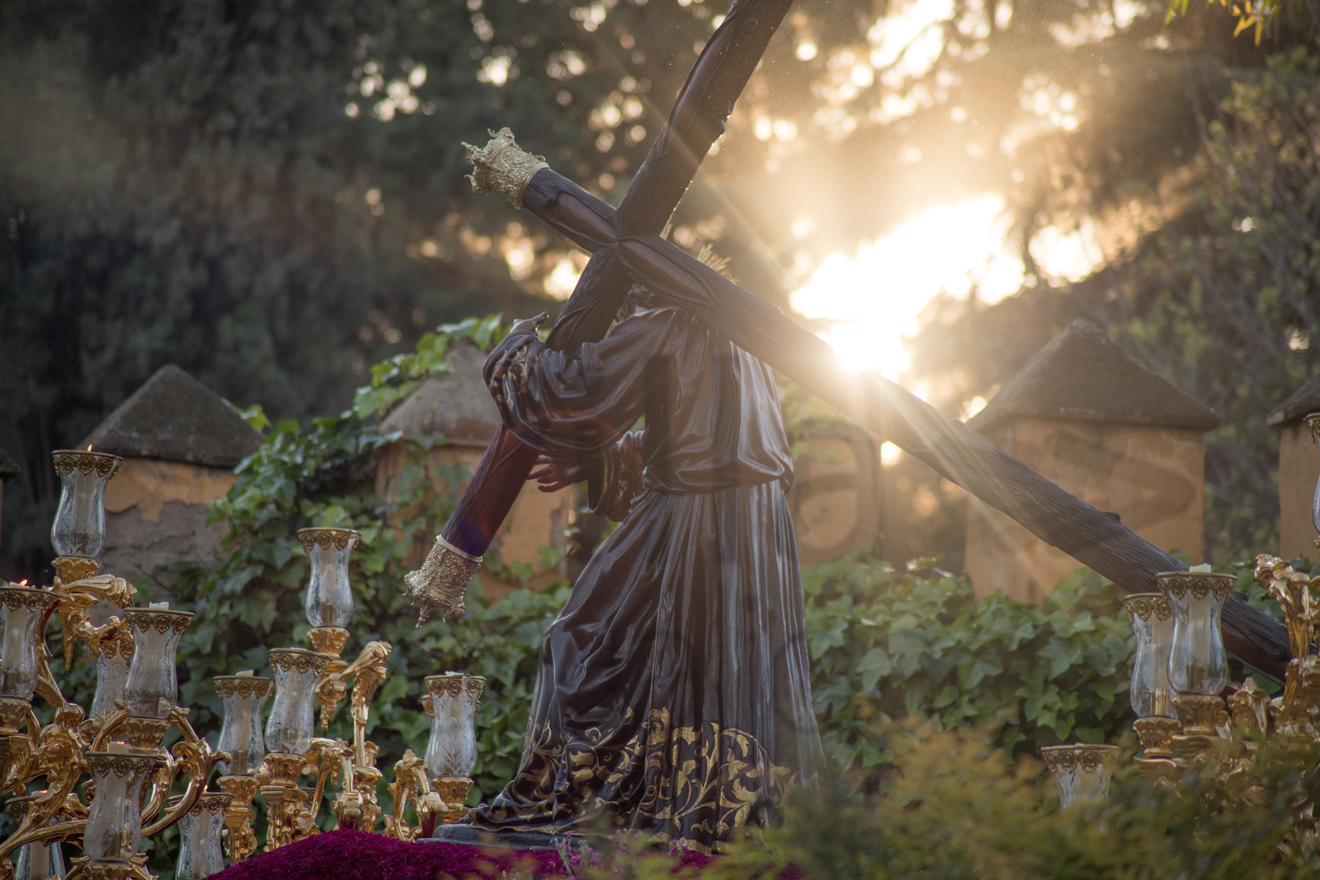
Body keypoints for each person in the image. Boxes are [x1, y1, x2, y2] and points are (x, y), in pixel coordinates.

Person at [468, 288, 824, 853]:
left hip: (693, 516)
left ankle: (592, 800)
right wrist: (602, 458)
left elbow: (577, 393)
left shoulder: (665, 320)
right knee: (718, 664)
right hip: (756, 528)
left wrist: (518, 347)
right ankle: (721, 812)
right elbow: (697, 427)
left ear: (636, 296)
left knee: (581, 642)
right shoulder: (737, 329)